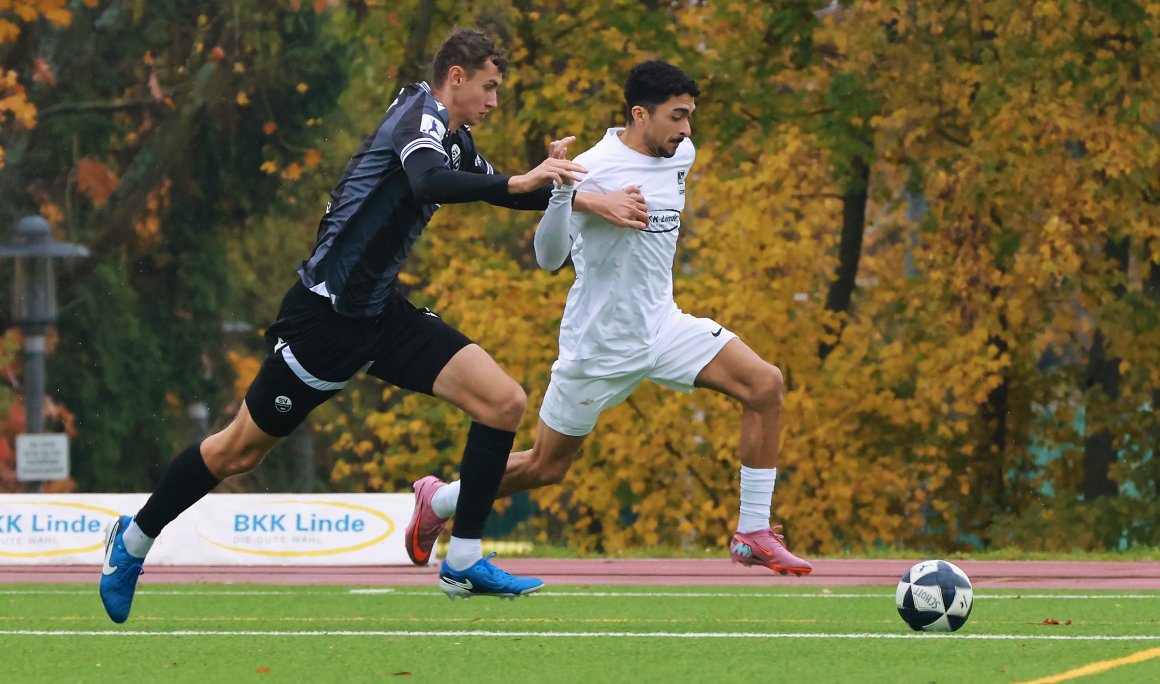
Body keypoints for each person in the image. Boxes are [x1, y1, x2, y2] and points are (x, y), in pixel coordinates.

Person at [99, 28, 650, 623]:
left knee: (503, 402)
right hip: (323, 320)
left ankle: (462, 558)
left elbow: (499, 192)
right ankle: (132, 543)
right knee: (237, 452)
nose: (494, 102)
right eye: (488, 88)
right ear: (456, 77)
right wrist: (520, 180)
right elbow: (429, 183)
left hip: (380, 315)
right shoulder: (420, 115)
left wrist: (584, 198)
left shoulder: (454, 137)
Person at [405, 61, 812, 576]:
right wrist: (573, 199)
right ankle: (439, 502)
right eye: (677, 116)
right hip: (597, 347)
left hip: (664, 328)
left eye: (690, 116)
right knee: (545, 467)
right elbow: (548, 259)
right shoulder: (591, 167)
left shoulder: (680, 153)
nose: (687, 129)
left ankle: (752, 532)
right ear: (639, 115)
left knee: (765, 385)